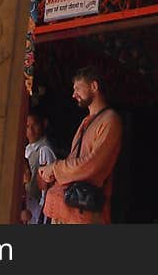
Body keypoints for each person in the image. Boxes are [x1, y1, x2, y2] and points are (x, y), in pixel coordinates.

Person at [38, 66, 122, 225]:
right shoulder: (86, 122)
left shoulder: (110, 120)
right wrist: (52, 174)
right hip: (64, 209)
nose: (73, 94)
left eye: (77, 88)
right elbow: (73, 160)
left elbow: (92, 165)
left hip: (83, 214)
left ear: (94, 86)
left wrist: (56, 168)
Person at [21, 109, 57, 224]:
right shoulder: (28, 149)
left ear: (43, 124)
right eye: (27, 126)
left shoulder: (44, 150)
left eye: (35, 125)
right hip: (26, 204)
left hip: (37, 208)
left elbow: (47, 186)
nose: (30, 130)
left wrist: (41, 212)